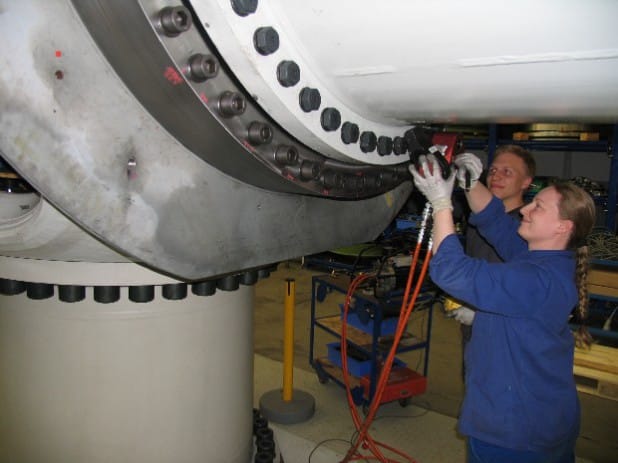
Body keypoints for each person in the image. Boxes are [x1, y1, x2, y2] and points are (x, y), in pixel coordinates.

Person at [409, 152, 595, 463]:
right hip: (543, 419)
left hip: (515, 433)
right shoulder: (545, 258)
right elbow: (496, 221)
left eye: (539, 207)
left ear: (563, 227)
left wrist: (442, 205)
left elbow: (452, 272)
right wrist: (469, 183)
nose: (526, 210)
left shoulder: (536, 279)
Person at [454, 146, 536, 374]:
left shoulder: (527, 228)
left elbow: (527, 292)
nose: (496, 176)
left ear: (525, 182)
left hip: (506, 333)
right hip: (471, 326)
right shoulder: (475, 220)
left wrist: (484, 315)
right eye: (492, 171)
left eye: (507, 172)